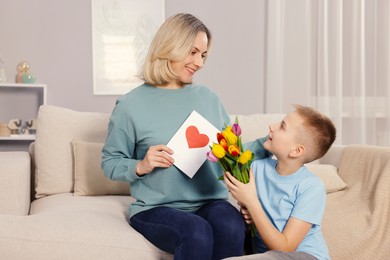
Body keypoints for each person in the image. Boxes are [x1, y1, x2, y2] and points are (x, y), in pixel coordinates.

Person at [101, 13, 269, 260]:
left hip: (209, 202)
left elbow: (233, 152)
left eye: (203, 55)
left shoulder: (208, 98)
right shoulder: (130, 105)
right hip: (156, 209)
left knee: (231, 224)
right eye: (192, 52)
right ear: (170, 46)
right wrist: (141, 165)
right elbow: (110, 162)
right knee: (195, 231)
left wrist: (271, 144)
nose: (199, 63)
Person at [224, 105, 336, 260]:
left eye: (282, 126)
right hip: (266, 254)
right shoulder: (256, 168)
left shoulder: (311, 187)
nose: (272, 126)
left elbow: (286, 248)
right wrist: (249, 214)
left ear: (296, 151)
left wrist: (252, 203)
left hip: (304, 256)